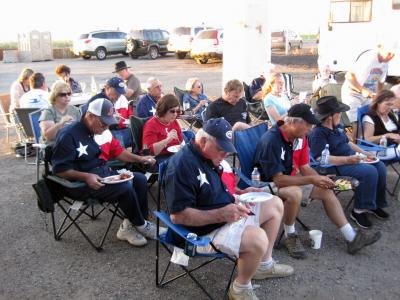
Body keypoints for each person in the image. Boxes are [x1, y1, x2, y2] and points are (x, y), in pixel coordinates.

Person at [164, 118, 294, 300]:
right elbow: (179, 216)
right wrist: (221, 214)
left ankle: (264, 266)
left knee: (274, 203)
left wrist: (239, 192)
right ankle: (240, 287)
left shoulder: (209, 156)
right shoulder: (182, 166)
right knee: (258, 239)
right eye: (221, 148)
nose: (225, 154)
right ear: (202, 141)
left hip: (225, 213)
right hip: (200, 232)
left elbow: (213, 190)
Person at [254, 103, 381, 258]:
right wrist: (313, 179)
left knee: (326, 189)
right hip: (263, 184)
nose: (310, 129)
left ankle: (352, 237)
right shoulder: (272, 140)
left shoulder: (300, 137)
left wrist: (319, 179)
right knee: (294, 193)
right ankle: (290, 236)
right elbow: (278, 180)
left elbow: (304, 166)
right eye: (308, 125)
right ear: (293, 122)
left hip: (287, 178)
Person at [51, 98, 165, 247]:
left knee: (139, 179)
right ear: (90, 116)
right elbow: (59, 170)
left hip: (100, 175)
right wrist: (85, 176)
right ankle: (141, 225)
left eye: (107, 124)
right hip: (79, 184)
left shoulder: (91, 130)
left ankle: (133, 224)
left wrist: (140, 159)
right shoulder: (68, 134)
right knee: (124, 187)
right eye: (103, 123)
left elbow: (118, 152)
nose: (105, 128)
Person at [309, 96, 389, 229]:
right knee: (368, 172)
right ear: (330, 116)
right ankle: (359, 210)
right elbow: (319, 158)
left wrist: (365, 153)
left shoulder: (338, 127)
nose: (341, 115)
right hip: (333, 167)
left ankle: (373, 204)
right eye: (338, 113)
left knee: (380, 166)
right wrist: (347, 160)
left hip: (351, 159)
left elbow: (349, 143)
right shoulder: (319, 133)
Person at [341, 42, 395, 140]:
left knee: (373, 115)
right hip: (352, 92)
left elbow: (380, 82)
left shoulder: (385, 62)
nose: (390, 56)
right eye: (388, 53)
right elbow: (349, 76)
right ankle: (351, 146)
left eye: (393, 55)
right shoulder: (369, 58)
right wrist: (362, 90)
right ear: (381, 49)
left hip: (368, 94)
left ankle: (369, 140)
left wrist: (380, 97)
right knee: (354, 122)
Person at [82, 77, 133, 148]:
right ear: (107, 88)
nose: (118, 97)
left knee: (132, 131)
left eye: (120, 94)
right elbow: (93, 124)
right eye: (116, 93)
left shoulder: (109, 99)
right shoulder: (100, 101)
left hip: (105, 132)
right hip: (95, 136)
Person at [142, 94, 183, 162]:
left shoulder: (174, 122)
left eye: (177, 111)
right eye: (172, 111)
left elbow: (180, 141)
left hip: (174, 155)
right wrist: (167, 140)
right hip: (159, 158)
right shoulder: (151, 125)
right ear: (163, 110)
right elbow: (149, 152)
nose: (175, 114)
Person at [362, 90, 400, 159]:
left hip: (395, 147)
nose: (390, 107)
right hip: (379, 150)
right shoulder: (369, 118)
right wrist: (387, 135)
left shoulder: (392, 115)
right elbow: (368, 140)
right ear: (378, 103)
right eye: (387, 104)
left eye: (392, 105)